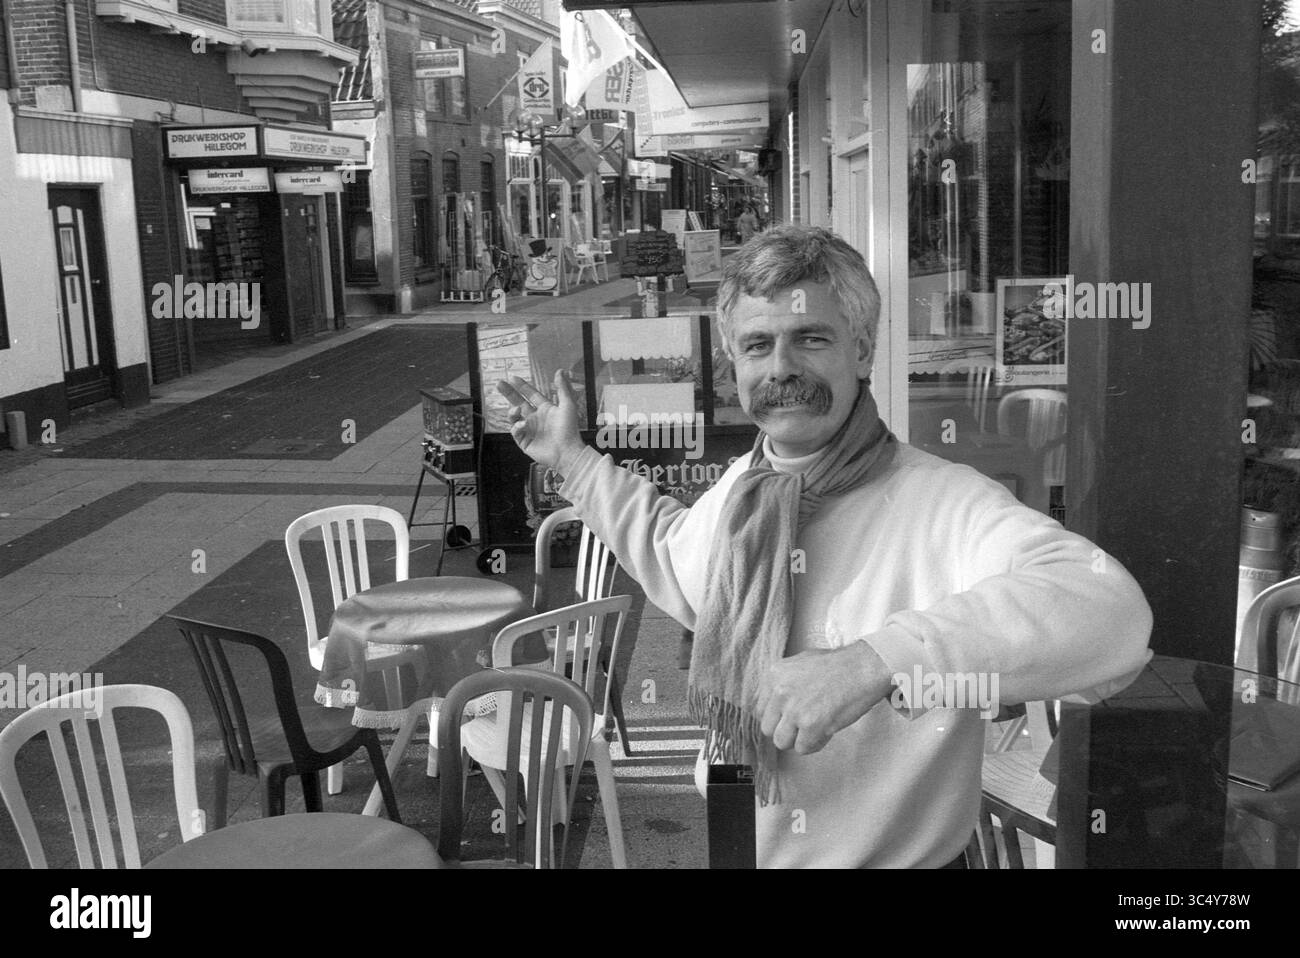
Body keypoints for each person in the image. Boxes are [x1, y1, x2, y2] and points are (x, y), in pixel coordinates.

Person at [498, 224, 1152, 868]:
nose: (781, 367)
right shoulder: (748, 490)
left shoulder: (944, 503)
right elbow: (671, 552)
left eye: (810, 339)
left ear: (863, 349)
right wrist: (574, 462)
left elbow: (1110, 608)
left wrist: (875, 662)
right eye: (758, 345)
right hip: (737, 849)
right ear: (735, 363)